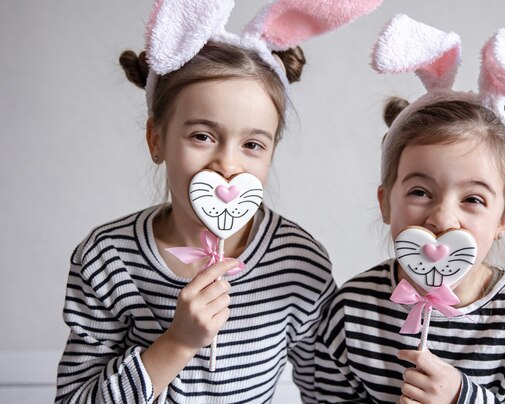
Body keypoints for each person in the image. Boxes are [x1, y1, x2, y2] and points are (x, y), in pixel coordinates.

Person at [54, 1, 382, 402]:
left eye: (252, 144)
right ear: (156, 140)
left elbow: (327, 386)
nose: (227, 164)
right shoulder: (106, 259)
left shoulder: (298, 263)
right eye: (202, 136)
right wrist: (178, 343)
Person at [314, 16, 505, 403]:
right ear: (386, 203)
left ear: (503, 220)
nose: (441, 218)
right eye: (421, 191)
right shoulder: (351, 313)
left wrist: (462, 397)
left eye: (472, 199)